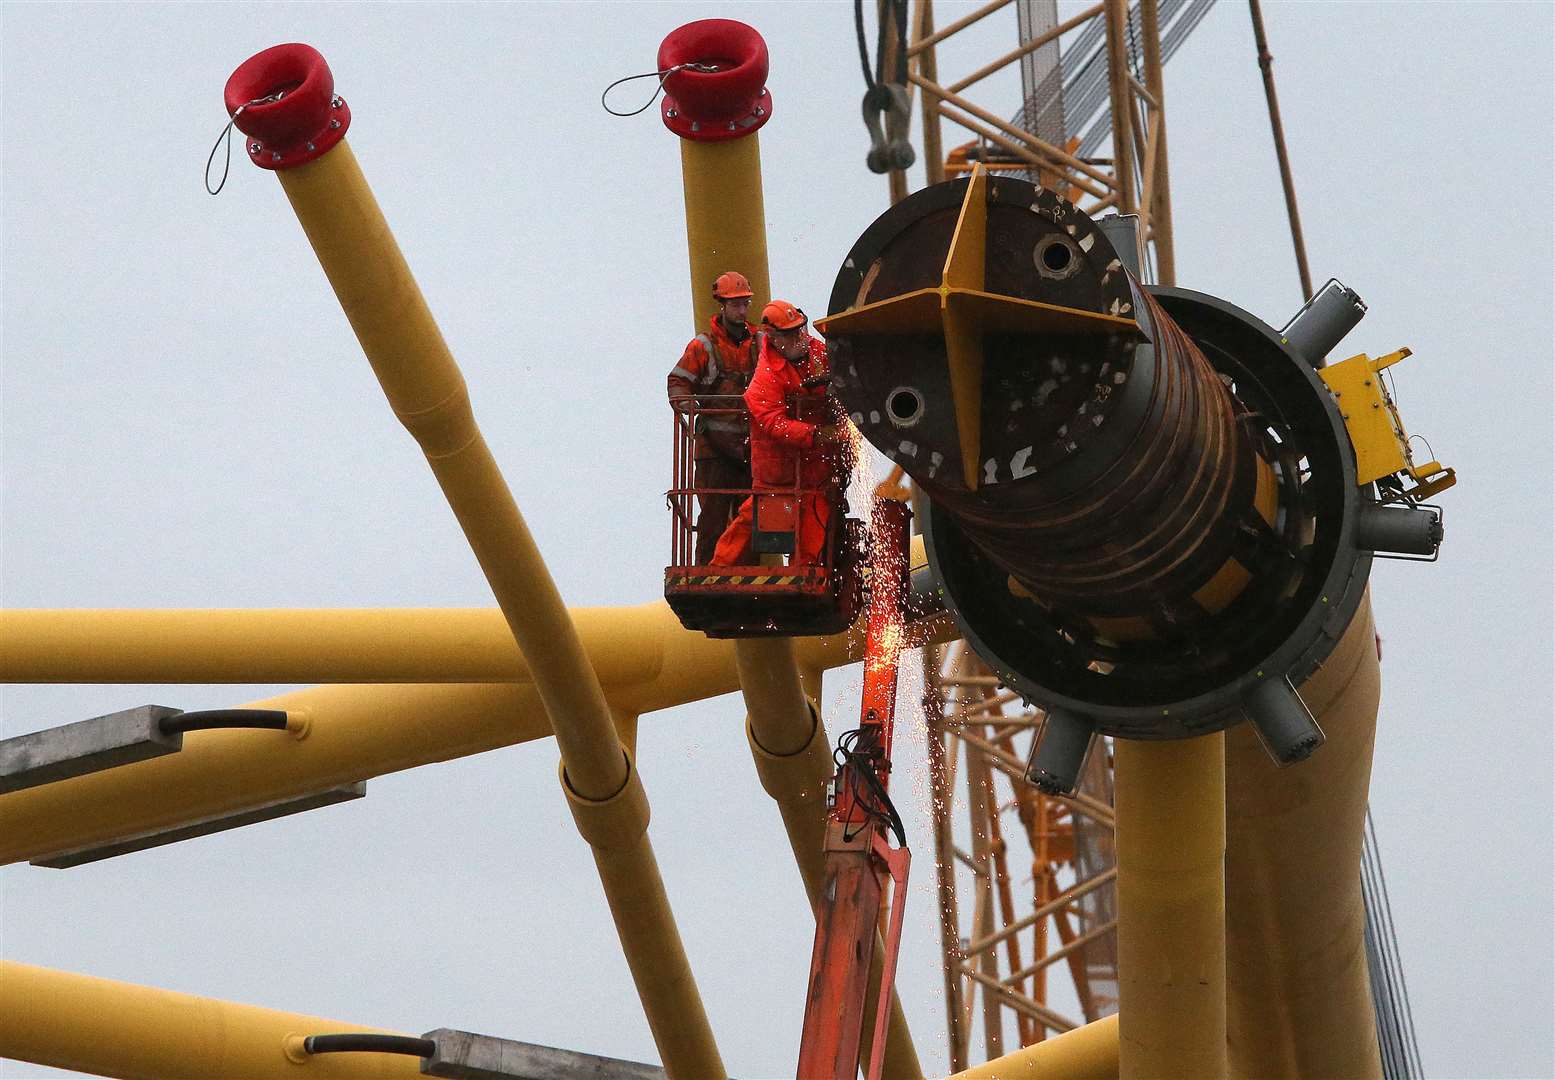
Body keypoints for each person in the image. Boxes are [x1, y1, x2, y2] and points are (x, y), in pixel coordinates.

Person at [711, 300, 850, 567]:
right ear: (773, 337)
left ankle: (805, 575)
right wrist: (821, 434)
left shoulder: (819, 354)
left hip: (815, 474)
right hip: (778, 477)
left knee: (813, 533)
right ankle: (718, 570)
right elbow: (775, 425)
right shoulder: (765, 378)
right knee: (753, 521)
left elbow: (842, 376)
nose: (799, 337)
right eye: (791, 333)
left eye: (800, 329)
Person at [668, 271, 761, 563]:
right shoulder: (704, 346)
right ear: (722, 305)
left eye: (745, 303)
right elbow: (677, 384)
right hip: (713, 449)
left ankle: (749, 577)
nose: (742, 310)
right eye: (736, 305)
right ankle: (705, 572)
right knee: (712, 517)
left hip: (751, 448)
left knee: (751, 520)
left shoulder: (760, 344)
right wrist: (692, 407)